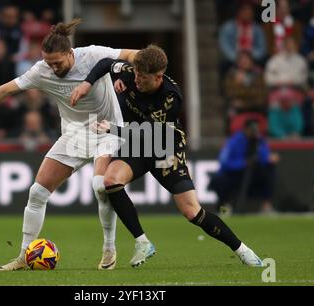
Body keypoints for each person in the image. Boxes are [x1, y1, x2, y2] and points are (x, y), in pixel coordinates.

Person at [0, 19, 139, 271]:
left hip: (106, 131)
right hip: (73, 135)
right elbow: (6, 90)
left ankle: (108, 249)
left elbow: (131, 55)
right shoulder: (41, 70)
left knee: (99, 186)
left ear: (70, 53)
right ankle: (22, 255)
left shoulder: (93, 55)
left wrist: (137, 72)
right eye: (48, 62)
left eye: (57, 63)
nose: (53, 68)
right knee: (37, 193)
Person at [70, 45, 264, 268]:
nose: (137, 80)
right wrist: (87, 84)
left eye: (142, 77)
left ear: (158, 76)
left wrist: (111, 129)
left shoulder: (171, 97)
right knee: (110, 181)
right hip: (137, 145)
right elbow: (105, 64)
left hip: (164, 148)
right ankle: (142, 242)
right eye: (135, 74)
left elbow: (150, 132)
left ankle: (242, 250)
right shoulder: (131, 72)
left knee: (192, 211)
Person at [209, 119, 279, 214]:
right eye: (252, 129)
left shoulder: (259, 141)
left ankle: (266, 206)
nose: (254, 132)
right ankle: (224, 209)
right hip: (233, 174)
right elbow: (224, 162)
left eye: (256, 130)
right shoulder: (234, 141)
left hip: (252, 174)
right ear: (245, 129)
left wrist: (268, 158)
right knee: (221, 182)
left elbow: (264, 157)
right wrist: (243, 163)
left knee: (269, 172)